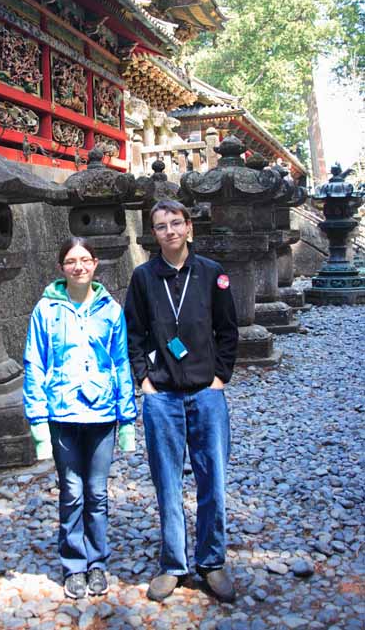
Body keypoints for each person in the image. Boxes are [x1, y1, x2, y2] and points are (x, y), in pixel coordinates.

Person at [124, 200, 238, 603]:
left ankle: (212, 561)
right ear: (152, 234)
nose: (169, 231)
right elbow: (133, 333)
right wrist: (143, 380)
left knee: (213, 480)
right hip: (162, 396)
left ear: (188, 227)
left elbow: (228, 329)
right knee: (167, 481)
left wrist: (220, 377)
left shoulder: (211, 274)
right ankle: (173, 563)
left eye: (176, 223)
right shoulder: (143, 277)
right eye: (160, 226)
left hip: (206, 393)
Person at [23, 237, 137, 599]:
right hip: (62, 413)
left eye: (85, 260)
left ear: (95, 264)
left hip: (102, 414)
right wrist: (38, 425)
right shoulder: (45, 310)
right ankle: (74, 563)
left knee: (97, 492)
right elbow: (35, 365)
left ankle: (98, 562)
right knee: (71, 492)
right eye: (71, 261)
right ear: (61, 268)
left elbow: (121, 363)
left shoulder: (110, 309)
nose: (79, 266)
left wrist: (128, 421)